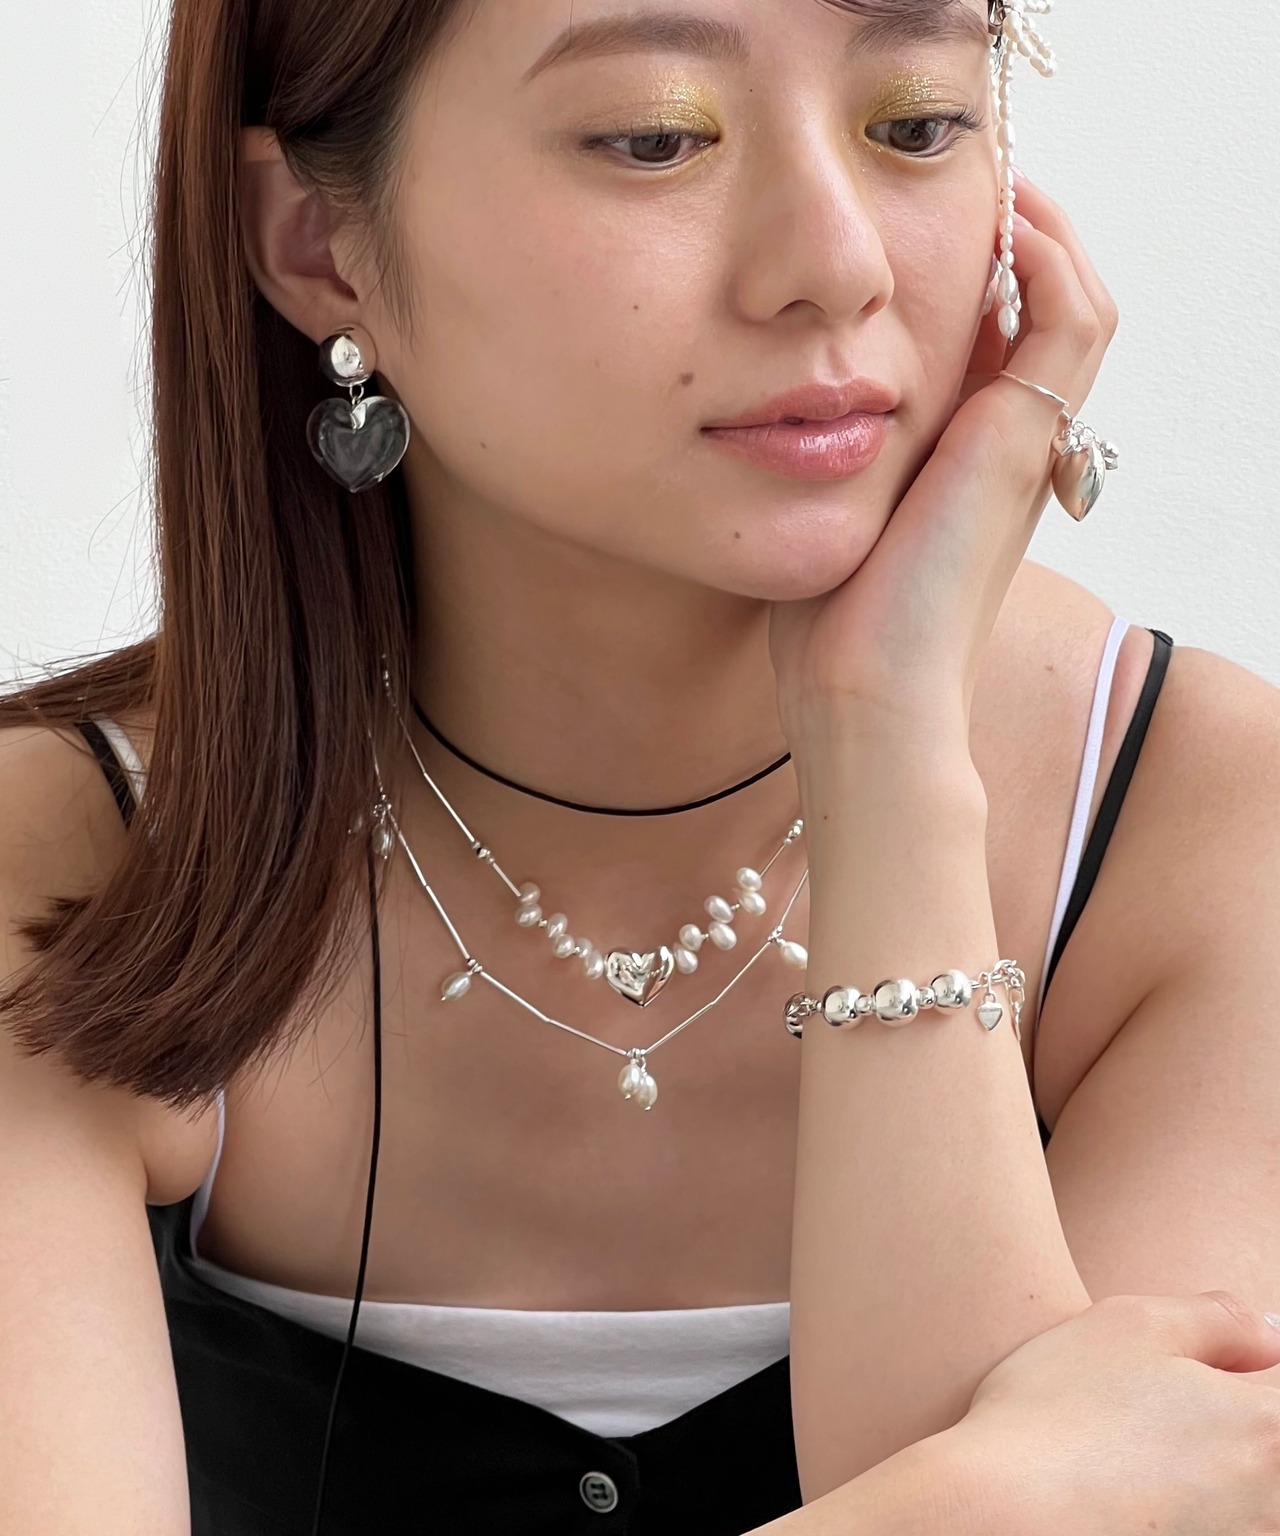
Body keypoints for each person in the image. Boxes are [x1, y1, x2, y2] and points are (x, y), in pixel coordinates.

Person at [3, 0, 1280, 1532]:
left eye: (917, 121)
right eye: (657, 137)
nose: (838, 264)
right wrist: (987, 1500)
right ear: (317, 246)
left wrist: (886, 748)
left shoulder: (1202, 830)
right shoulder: (61, 874)